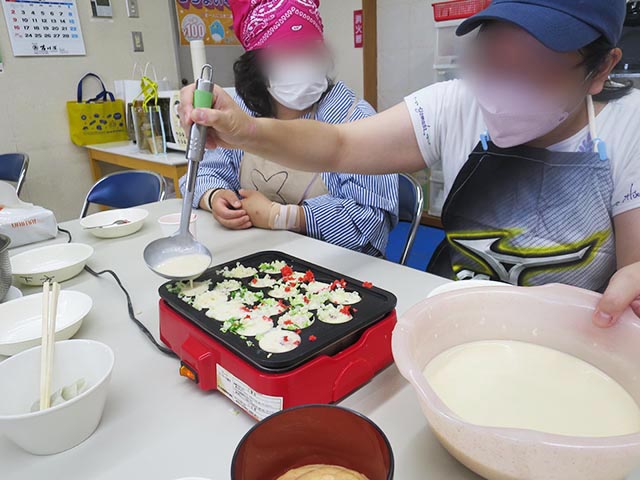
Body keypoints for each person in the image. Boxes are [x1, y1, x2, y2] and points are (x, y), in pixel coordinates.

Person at [178, 0, 640, 326]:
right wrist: (244, 129)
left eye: (536, 67)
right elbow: (339, 146)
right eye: (493, 58)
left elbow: (631, 273)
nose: (503, 87)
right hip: (460, 315)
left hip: (569, 337)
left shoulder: (629, 127)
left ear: (600, 69)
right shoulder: (455, 104)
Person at [179, 0, 398, 258]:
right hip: (259, 257)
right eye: (287, 52)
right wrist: (215, 197)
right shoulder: (243, 113)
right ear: (257, 64)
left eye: (310, 50)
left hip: (337, 266)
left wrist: (282, 216)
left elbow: (371, 220)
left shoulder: (355, 118)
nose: (302, 62)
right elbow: (204, 171)